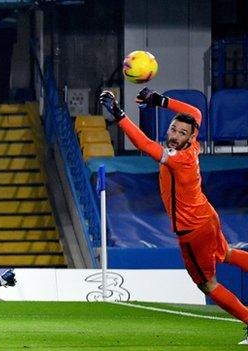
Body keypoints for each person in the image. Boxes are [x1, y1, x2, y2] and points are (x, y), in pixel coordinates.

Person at [100, 88, 248, 344]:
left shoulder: (177, 158)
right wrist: (159, 100)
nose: (175, 136)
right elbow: (195, 112)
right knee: (225, 254)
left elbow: (144, 144)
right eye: (173, 129)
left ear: (190, 138)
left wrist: (119, 114)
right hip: (207, 215)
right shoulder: (193, 144)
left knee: (207, 285)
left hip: (193, 231)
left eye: (182, 133)